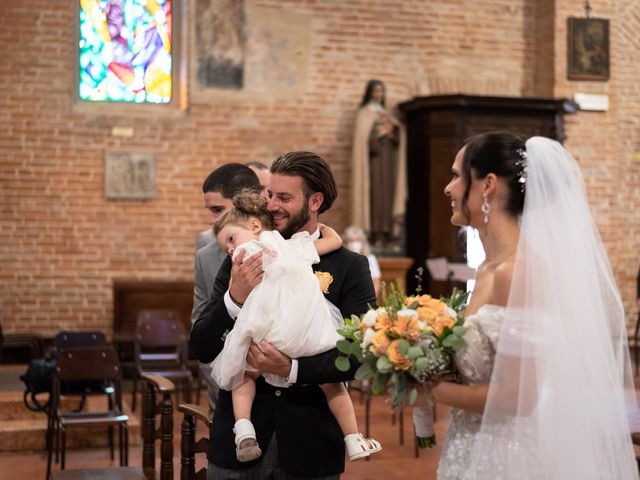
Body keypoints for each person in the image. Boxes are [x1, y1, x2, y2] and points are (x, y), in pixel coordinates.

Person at [431, 132, 638, 479]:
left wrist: (427, 391)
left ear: (488, 185)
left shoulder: (518, 272)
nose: (448, 189)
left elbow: (516, 398)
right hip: (467, 443)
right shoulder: (486, 270)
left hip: (505, 453)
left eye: (456, 175)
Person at [191, 151, 377, 479]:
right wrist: (234, 298)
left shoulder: (350, 266)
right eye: (270, 195)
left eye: (285, 197)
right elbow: (202, 347)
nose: (273, 205)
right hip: (239, 445)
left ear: (315, 200)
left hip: (311, 445)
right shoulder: (241, 257)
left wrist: (292, 369)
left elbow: (361, 355)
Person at [192, 164, 261, 411]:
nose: (211, 221)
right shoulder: (208, 252)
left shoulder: (283, 243)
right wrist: (222, 382)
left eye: (217, 210)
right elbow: (200, 326)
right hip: (228, 389)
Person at [351, 79, 407, 247]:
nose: (378, 94)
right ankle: (375, 234)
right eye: (375, 91)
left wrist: (393, 133)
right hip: (373, 165)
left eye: (381, 91)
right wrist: (378, 135)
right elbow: (363, 142)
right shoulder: (364, 113)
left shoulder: (387, 114)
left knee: (387, 197)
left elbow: (398, 139)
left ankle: (388, 233)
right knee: (375, 197)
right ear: (369, 92)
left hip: (388, 162)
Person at [342, 225, 381, 298]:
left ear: (363, 242)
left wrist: (371, 299)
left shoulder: (370, 259)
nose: (354, 244)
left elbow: (376, 282)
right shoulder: (343, 260)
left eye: (357, 240)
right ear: (345, 243)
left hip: (367, 298)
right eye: (351, 241)